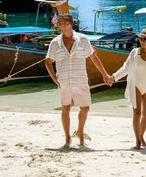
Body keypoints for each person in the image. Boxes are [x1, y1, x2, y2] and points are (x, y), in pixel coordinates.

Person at [45, 13, 111, 149]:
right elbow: (48, 62)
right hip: (64, 80)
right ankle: (67, 137)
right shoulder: (55, 42)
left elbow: (93, 58)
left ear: (68, 25)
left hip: (80, 79)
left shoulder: (83, 39)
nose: (57, 25)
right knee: (65, 108)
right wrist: (56, 80)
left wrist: (105, 74)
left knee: (85, 107)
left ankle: (80, 132)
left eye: (60, 23)